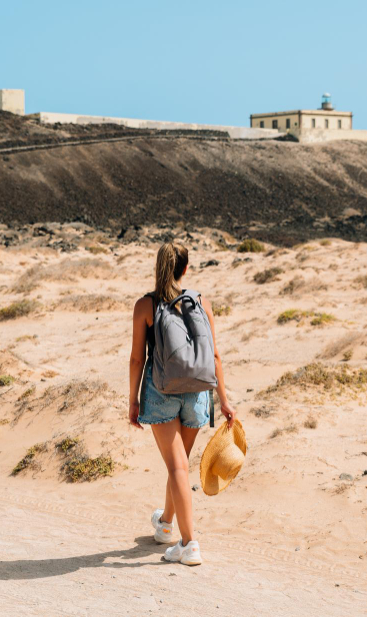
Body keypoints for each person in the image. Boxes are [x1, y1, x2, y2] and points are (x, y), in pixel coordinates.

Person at [128, 241, 236, 566]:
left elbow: (137, 359)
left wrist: (133, 402)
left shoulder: (145, 306)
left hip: (161, 392)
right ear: (185, 269)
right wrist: (225, 402)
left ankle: (189, 544)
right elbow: (214, 355)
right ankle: (165, 526)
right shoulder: (201, 302)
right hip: (198, 393)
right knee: (180, 463)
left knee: (177, 467)